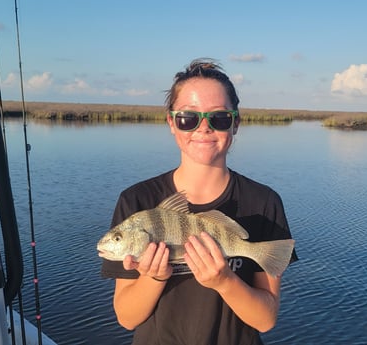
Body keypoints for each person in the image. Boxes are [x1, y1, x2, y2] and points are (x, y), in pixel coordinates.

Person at [101, 58, 298, 345]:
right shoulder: (136, 200)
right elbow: (127, 317)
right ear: (171, 122)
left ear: (236, 123)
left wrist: (224, 281)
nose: (203, 129)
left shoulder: (264, 202)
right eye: (188, 118)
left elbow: (265, 320)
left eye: (219, 118)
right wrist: (154, 278)